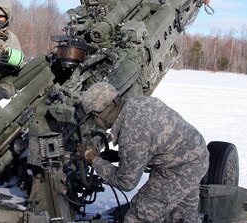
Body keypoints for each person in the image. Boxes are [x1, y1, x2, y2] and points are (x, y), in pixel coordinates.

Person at [78, 82, 209, 223]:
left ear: (99, 115)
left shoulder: (131, 134)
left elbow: (126, 182)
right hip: (195, 156)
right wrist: (118, 156)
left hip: (179, 168)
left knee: (139, 216)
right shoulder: (137, 103)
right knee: (184, 216)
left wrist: (92, 158)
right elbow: (152, 143)